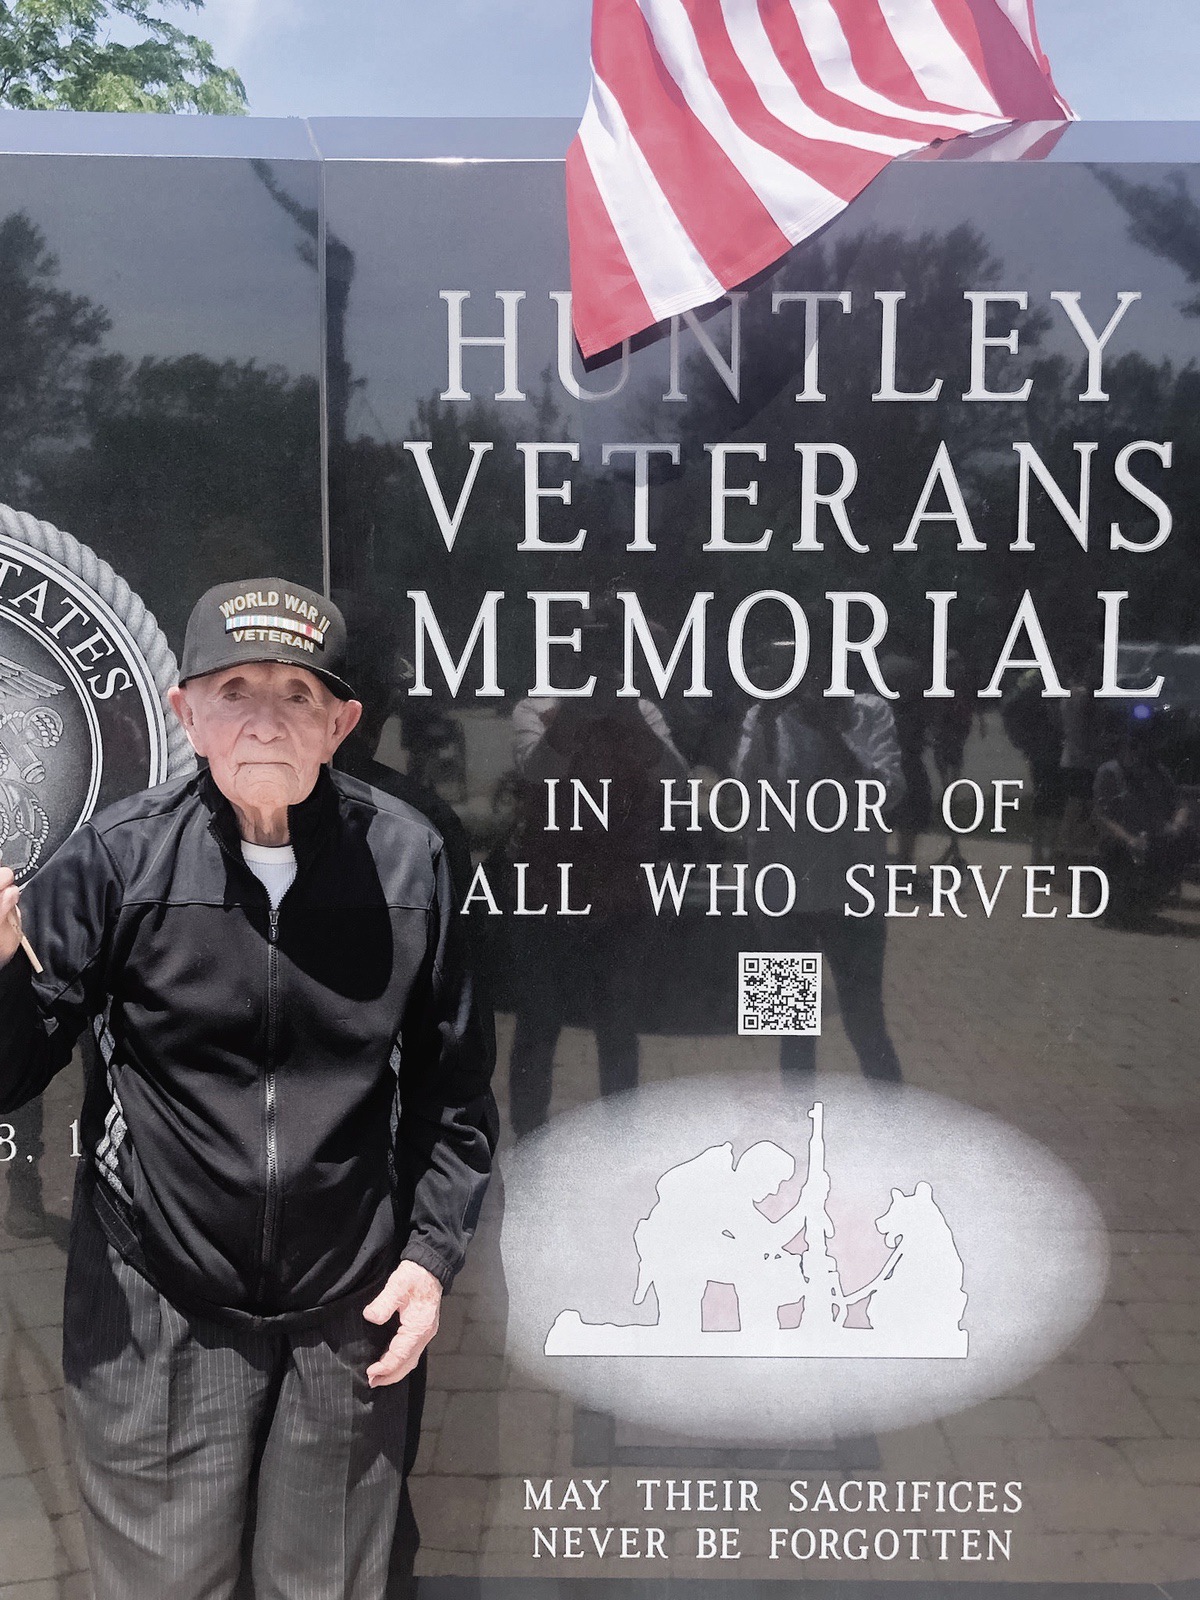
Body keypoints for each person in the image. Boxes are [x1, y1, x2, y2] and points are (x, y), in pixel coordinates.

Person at [0, 577, 497, 1600]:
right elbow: (10, 1069)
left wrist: (431, 1257)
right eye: (233, 689)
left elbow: (456, 1100)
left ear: (341, 723)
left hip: (345, 1314)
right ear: (185, 712)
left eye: (297, 694)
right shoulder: (117, 862)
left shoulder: (408, 861)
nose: (264, 718)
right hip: (158, 1312)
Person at [734, 660, 905, 1082]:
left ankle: (896, 1136)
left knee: (866, 1027)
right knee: (790, 1034)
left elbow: (887, 793)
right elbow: (742, 793)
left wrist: (833, 732)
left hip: (854, 893)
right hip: (781, 896)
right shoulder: (762, 716)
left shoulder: (871, 712)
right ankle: (797, 1138)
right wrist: (770, 722)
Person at [1093, 716, 1195, 925]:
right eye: (1133, 747)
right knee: (1116, 851)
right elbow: (1102, 816)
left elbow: (1180, 804)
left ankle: (1148, 899)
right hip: (1122, 839)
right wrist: (1130, 839)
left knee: (1187, 840)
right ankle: (1115, 903)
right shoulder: (1109, 773)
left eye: (1142, 747)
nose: (1137, 753)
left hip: (1155, 836)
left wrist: (1176, 826)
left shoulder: (1158, 773)